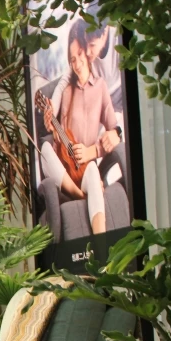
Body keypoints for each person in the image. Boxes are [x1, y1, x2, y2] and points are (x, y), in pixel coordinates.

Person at [39, 18, 120, 234]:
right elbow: (60, 131)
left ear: (86, 52)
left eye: (80, 55)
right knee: (44, 148)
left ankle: (101, 244)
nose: (77, 63)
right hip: (64, 170)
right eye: (72, 59)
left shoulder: (101, 87)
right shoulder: (66, 91)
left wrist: (93, 151)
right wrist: (51, 123)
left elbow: (113, 130)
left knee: (93, 172)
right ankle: (77, 194)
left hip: (84, 167)